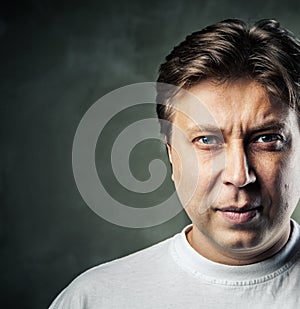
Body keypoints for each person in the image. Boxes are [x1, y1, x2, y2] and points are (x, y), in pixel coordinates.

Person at [49, 19, 300, 308]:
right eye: (207, 140)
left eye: (267, 138)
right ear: (170, 154)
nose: (239, 176)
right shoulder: (92, 299)